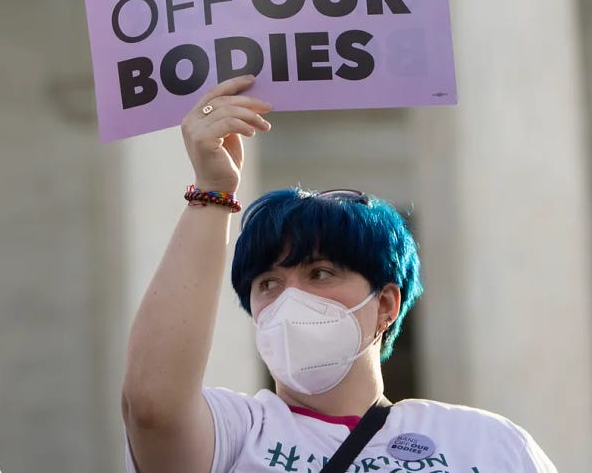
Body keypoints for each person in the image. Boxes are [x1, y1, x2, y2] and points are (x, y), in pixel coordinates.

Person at [122, 75, 555, 473]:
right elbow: (151, 406)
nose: (289, 297)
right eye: (268, 283)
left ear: (386, 304)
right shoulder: (233, 435)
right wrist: (213, 191)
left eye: (321, 273)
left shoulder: (488, 445)